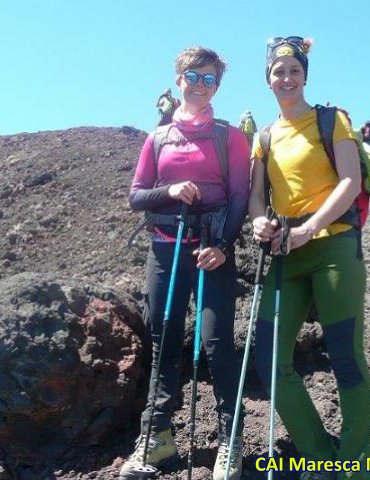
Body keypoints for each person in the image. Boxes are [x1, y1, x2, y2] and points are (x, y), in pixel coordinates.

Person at [249, 36, 370, 480]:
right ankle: (319, 456)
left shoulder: (330, 121)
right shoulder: (265, 137)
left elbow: (349, 182)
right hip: (287, 255)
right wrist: (259, 222)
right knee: (267, 359)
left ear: (305, 75)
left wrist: (309, 228)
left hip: (334, 246)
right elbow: (256, 198)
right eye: (278, 72)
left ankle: (356, 465)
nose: (286, 78)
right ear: (268, 80)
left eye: (294, 71)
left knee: (345, 356)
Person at [120, 46, 250, 480]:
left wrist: (224, 247)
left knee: (216, 343)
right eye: (193, 76)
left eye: (210, 79)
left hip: (212, 250)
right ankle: (156, 439)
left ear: (218, 86)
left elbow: (237, 198)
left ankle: (230, 441)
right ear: (178, 80)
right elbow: (137, 196)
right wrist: (172, 191)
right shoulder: (157, 138)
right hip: (165, 248)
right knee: (164, 339)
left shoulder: (229, 136)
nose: (200, 85)